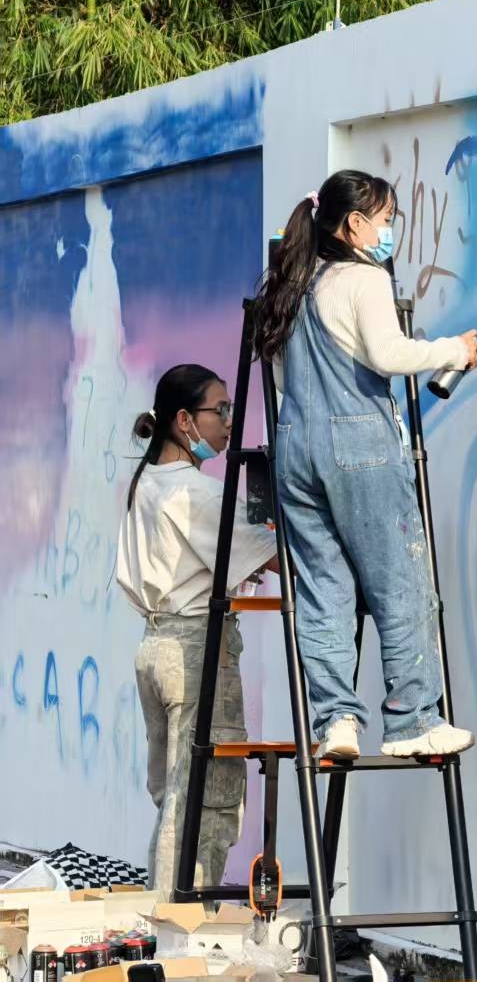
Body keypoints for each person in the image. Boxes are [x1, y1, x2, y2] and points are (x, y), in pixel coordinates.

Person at [251, 169, 477, 759]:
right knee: (400, 581)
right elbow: (387, 352)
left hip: (295, 449)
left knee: (323, 590)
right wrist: (453, 349)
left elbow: (281, 379)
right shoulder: (363, 278)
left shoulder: (291, 284)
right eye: (385, 220)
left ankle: (336, 722)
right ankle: (412, 721)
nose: (388, 232)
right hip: (360, 446)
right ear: (354, 224)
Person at [117, 363, 277, 890]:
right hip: (194, 649)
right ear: (184, 420)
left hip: (156, 646)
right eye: (220, 410)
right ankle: (182, 918)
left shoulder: (147, 480)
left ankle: (164, 908)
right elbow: (276, 558)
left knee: (175, 798)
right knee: (203, 802)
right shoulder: (197, 493)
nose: (229, 421)